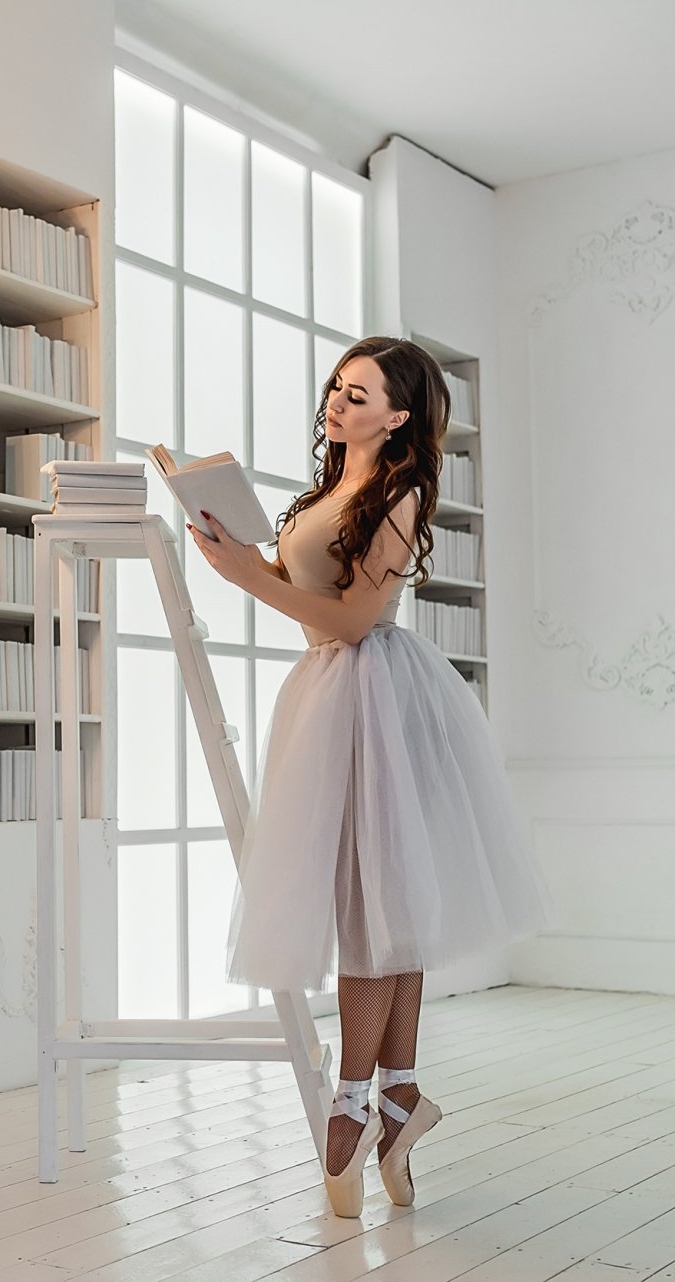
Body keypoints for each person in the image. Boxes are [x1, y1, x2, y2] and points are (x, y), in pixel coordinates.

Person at [187, 336, 555, 1218]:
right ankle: (400, 1097)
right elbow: (307, 588)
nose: (339, 403)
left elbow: (352, 620)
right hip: (325, 696)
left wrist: (251, 576)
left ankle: (355, 1100)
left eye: (360, 395)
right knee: (386, 904)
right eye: (337, 389)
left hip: (376, 696)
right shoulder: (329, 489)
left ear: (399, 417)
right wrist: (244, 556)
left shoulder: (402, 491)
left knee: (373, 903)